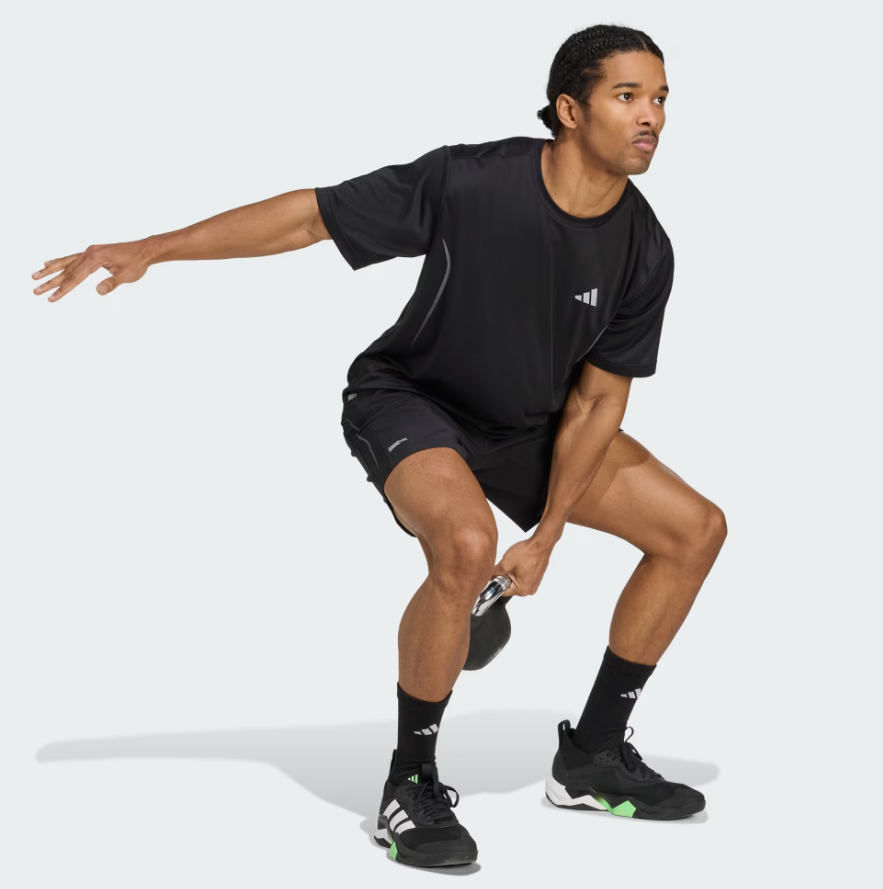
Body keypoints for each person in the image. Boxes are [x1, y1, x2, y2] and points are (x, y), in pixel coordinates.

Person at [32, 23, 727, 870]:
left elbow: (596, 402)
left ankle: (592, 754)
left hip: (529, 423)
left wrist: (547, 534)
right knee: (465, 542)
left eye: (660, 99)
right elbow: (310, 218)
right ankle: (410, 783)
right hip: (411, 397)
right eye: (627, 96)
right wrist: (155, 248)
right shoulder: (471, 181)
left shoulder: (644, 247)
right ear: (569, 110)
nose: (651, 116)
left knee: (694, 529)